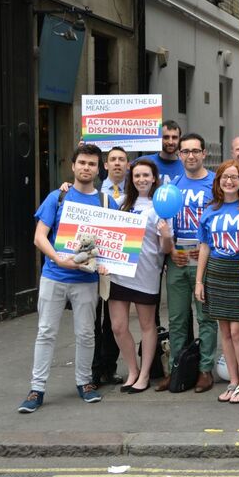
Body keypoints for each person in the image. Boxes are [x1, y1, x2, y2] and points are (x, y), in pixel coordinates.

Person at [19, 144, 116, 413]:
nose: (86, 167)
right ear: (73, 166)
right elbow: (39, 237)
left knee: (85, 333)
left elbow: (115, 243)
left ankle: (85, 382)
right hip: (54, 275)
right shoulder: (57, 197)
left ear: (98, 169)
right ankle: (36, 388)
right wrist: (58, 259)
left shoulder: (106, 202)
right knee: (46, 332)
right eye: (82, 163)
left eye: (92, 164)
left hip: (86, 280)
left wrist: (107, 265)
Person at [195, 160, 239, 404]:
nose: (229, 181)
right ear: (218, 181)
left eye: (234, 177)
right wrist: (199, 281)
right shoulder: (210, 210)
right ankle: (233, 381)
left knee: (238, 332)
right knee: (224, 331)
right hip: (217, 273)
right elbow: (205, 247)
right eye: (224, 177)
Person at [154, 133, 218, 393]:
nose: (190, 156)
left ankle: (205, 370)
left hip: (205, 260)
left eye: (195, 151)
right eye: (186, 151)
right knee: (177, 319)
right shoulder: (171, 187)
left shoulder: (215, 183)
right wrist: (170, 251)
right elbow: (164, 224)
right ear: (179, 155)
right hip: (178, 260)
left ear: (204, 153)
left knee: (206, 317)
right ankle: (176, 370)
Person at [107, 159, 173, 394]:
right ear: (131, 179)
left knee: (147, 325)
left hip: (146, 273)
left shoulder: (161, 206)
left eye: (146, 175)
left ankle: (144, 375)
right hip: (119, 273)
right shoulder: (121, 203)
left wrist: (166, 235)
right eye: (137, 175)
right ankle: (132, 370)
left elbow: (166, 249)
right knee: (118, 326)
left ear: (154, 178)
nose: (141, 179)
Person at [92, 146, 129, 387]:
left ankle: (110, 367)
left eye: (121, 159)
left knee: (114, 321)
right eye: (112, 159)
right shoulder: (93, 192)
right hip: (95, 266)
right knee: (93, 320)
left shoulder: (135, 192)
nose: (117, 163)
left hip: (119, 265)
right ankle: (94, 370)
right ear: (105, 165)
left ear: (128, 165)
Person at [141, 120, 185, 185]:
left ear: (180, 140)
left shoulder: (186, 167)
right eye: (166, 137)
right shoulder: (143, 162)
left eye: (174, 137)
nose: (170, 142)